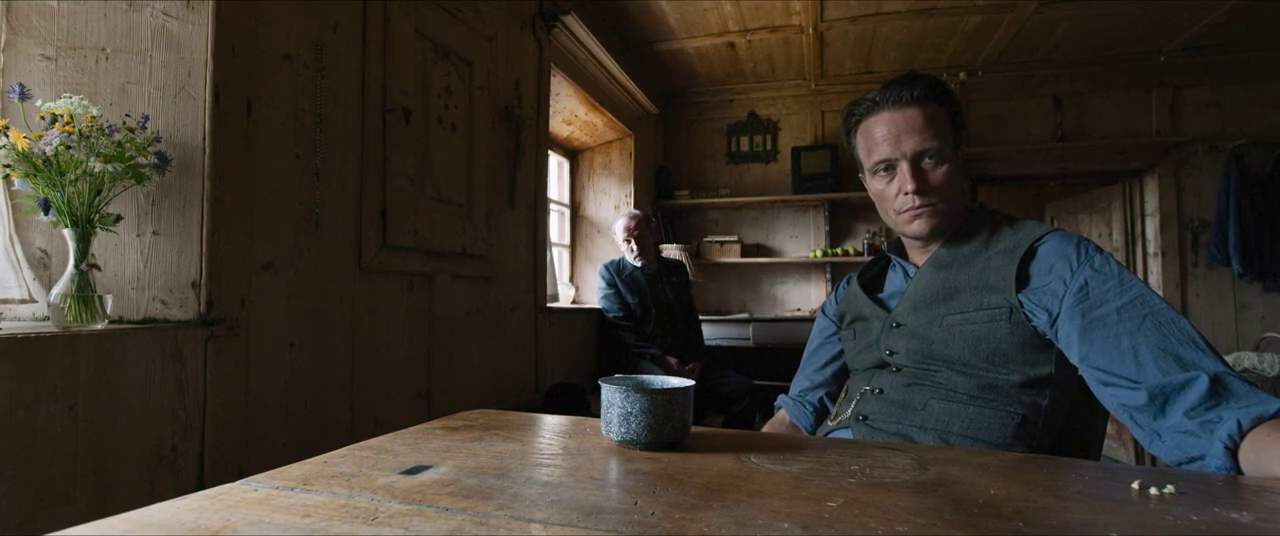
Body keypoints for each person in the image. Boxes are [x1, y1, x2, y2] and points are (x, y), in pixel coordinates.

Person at [762, 71, 1280, 477]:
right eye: (886, 169)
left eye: (929, 158)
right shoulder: (850, 293)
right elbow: (797, 415)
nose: (910, 184)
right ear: (866, 184)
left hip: (976, 502)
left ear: (960, 159)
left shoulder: (1048, 263)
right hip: (832, 487)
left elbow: (1196, 404)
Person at [598, 210, 757, 429]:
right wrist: (663, 360)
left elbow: (691, 320)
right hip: (642, 361)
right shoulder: (610, 273)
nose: (635, 246)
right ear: (619, 244)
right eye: (627, 241)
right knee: (672, 391)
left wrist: (697, 360)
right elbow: (623, 331)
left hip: (685, 360)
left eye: (640, 236)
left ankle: (729, 444)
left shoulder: (676, 269)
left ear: (654, 233)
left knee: (744, 390)